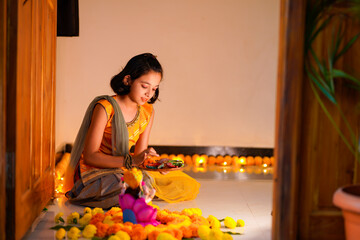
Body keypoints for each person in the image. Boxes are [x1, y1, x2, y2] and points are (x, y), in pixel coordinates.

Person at [65, 53, 200, 208]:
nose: (149, 94)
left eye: (154, 88)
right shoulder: (105, 107)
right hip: (95, 171)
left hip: (123, 169)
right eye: (144, 86)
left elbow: (139, 157)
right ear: (128, 80)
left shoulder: (147, 111)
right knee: (124, 186)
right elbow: (90, 156)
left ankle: (135, 193)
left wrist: (158, 164)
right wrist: (132, 162)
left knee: (171, 183)